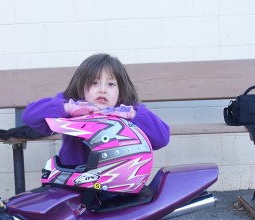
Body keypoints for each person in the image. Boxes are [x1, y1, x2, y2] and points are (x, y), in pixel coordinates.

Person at [22, 53, 170, 166]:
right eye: (94, 83)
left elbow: (162, 138)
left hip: (115, 187)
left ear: (121, 91)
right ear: (81, 87)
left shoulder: (127, 111)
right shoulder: (72, 106)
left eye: (111, 84)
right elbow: (30, 116)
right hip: (73, 184)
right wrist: (66, 108)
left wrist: (134, 116)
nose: (103, 90)